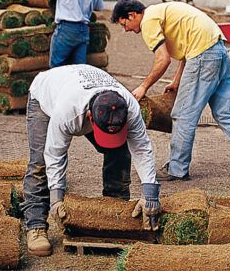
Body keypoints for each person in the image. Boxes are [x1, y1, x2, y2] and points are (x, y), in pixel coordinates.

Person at [111, 0, 230, 181]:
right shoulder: (161, 11)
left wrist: (143, 87)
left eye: (124, 24)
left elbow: (163, 59)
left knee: (182, 115)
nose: (126, 30)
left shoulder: (148, 21)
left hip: (203, 56)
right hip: (219, 50)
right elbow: (187, 49)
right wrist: (177, 80)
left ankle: (177, 169)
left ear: (132, 15)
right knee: (225, 113)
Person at [23, 64, 159, 257]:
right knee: (39, 163)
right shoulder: (66, 112)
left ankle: (114, 211)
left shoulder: (129, 108)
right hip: (45, 94)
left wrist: (151, 194)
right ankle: (35, 225)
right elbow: (55, 155)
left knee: (120, 151)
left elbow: (142, 149)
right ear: (90, 118)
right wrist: (56, 199)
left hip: (82, 84)